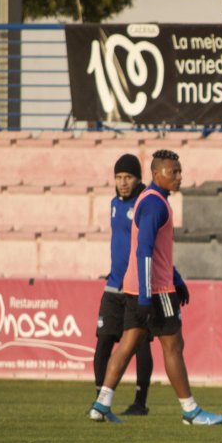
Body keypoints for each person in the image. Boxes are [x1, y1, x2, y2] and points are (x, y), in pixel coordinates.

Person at [89, 149, 222, 426]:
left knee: (127, 345)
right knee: (173, 346)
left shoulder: (151, 200)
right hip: (155, 291)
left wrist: (177, 279)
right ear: (155, 174)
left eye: (179, 171)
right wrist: (147, 295)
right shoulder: (155, 204)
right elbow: (145, 252)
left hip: (139, 286)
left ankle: (100, 404)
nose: (178, 176)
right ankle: (190, 411)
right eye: (172, 172)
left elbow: (157, 253)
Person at [87, 153, 155, 420]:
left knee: (140, 343)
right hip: (114, 284)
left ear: (138, 179)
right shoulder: (114, 203)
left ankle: (140, 401)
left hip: (136, 286)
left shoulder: (144, 203)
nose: (123, 182)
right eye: (119, 177)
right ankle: (99, 399)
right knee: (103, 341)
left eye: (128, 177)